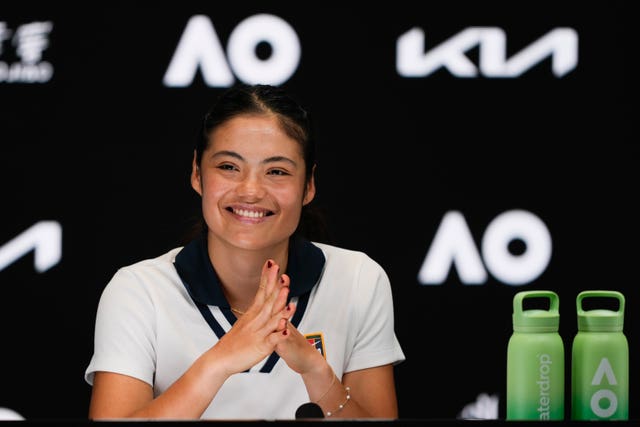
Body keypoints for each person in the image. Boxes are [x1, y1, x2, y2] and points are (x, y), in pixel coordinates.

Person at [84, 83, 405, 420]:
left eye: (277, 171)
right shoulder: (138, 290)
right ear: (197, 173)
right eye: (228, 167)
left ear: (308, 185)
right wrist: (220, 360)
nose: (250, 190)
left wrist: (317, 374)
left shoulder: (359, 280)